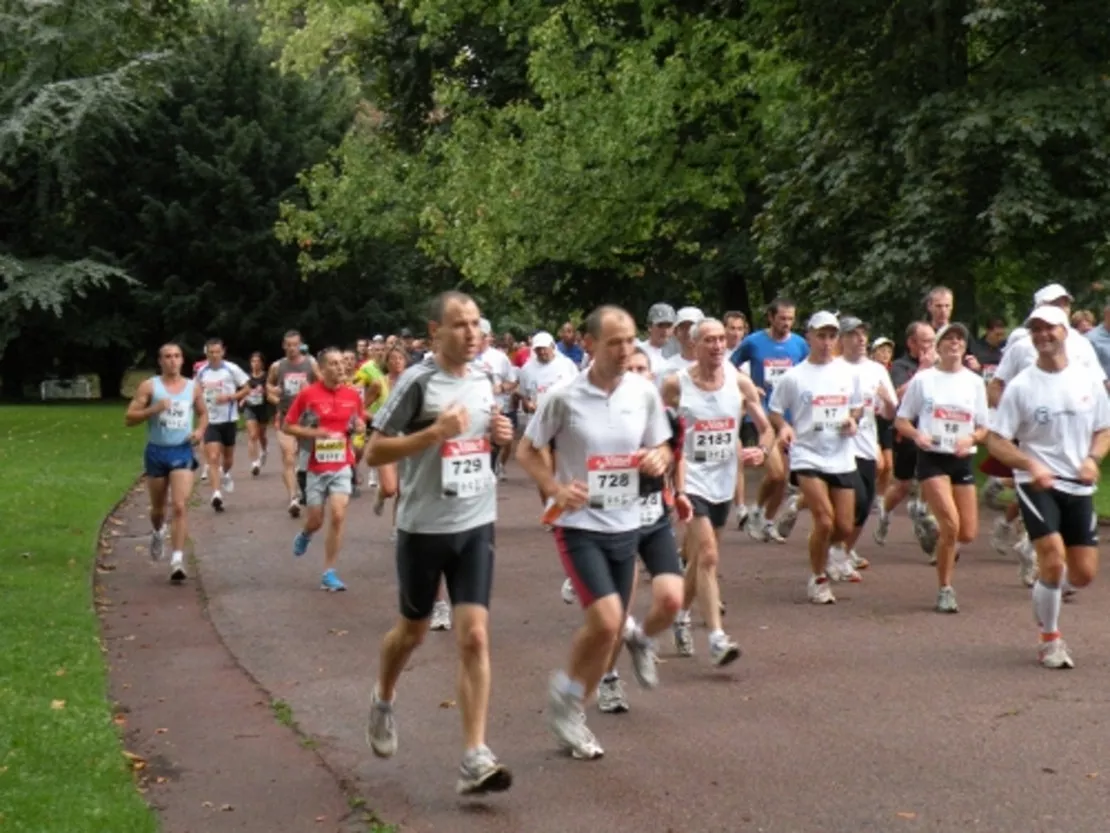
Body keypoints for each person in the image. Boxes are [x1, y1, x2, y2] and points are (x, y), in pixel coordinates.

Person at [364, 291, 515, 796]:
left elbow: (483, 442)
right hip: (424, 528)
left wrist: (500, 435)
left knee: (474, 635)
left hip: (476, 521)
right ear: (435, 332)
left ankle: (475, 756)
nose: (471, 333)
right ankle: (383, 696)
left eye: (475, 323)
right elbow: (374, 451)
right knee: (412, 632)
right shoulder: (416, 382)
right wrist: (432, 434)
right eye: (459, 325)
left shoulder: (485, 378)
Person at [517, 305, 673, 761]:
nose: (625, 350)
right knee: (607, 621)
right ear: (590, 344)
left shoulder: (643, 392)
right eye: (614, 342)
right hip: (579, 524)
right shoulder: (564, 396)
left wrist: (659, 458)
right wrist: (554, 487)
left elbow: (660, 442)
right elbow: (527, 449)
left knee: (607, 633)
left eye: (630, 340)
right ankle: (568, 700)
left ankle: (571, 705)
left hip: (628, 522)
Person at [988, 305, 1110, 668]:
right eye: (1035, 329)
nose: (1042, 335)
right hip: (1036, 483)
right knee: (1054, 560)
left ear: (1065, 333)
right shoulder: (1022, 385)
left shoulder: (1087, 380)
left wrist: (1093, 459)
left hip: (1078, 485)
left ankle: (1046, 589)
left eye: (1049, 329)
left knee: (1084, 574)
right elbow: (996, 440)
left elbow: (1103, 429)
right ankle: (1050, 639)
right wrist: (1028, 464)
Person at [663, 318, 773, 660]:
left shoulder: (740, 383)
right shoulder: (675, 385)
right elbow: (657, 430)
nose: (717, 345)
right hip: (690, 480)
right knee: (708, 554)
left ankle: (680, 615)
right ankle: (717, 638)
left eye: (721, 339)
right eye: (709, 340)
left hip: (723, 482)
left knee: (700, 560)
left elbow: (767, 428)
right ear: (694, 345)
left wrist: (762, 449)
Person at [768, 311, 863, 604]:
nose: (826, 342)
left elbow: (857, 407)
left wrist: (852, 419)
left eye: (831, 336)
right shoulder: (794, 377)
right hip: (807, 454)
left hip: (842, 454)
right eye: (820, 335)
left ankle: (823, 553)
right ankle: (818, 577)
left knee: (844, 527)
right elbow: (774, 409)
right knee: (824, 520)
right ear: (808, 336)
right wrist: (783, 427)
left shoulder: (848, 373)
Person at [894, 323, 989, 613]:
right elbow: (901, 420)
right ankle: (945, 589)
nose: (955, 342)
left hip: (961, 457)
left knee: (968, 533)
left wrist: (971, 438)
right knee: (952, 525)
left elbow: (984, 427)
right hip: (932, 456)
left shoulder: (975, 382)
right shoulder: (925, 380)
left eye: (960, 338)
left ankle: (930, 526)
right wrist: (917, 435)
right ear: (938, 345)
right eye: (948, 338)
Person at [283, 348, 365, 592]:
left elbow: (357, 423)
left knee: (338, 515)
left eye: (342, 363)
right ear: (322, 368)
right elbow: (288, 426)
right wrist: (313, 433)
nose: (340, 367)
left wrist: (359, 426)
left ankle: (329, 572)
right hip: (314, 466)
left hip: (341, 463)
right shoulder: (308, 395)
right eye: (334, 363)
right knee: (316, 520)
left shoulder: (352, 395)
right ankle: (306, 533)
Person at [125, 343, 207, 582]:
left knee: (180, 506)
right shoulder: (150, 386)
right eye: (167, 357)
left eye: (177, 356)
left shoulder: (192, 387)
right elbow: (129, 419)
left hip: (181, 450)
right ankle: (158, 531)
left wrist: (200, 431)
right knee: (158, 510)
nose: (172, 360)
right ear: (160, 361)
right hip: (156, 452)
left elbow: (203, 413)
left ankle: (177, 560)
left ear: (182, 360)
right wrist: (154, 409)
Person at [267, 331, 318, 517]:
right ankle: (293, 498)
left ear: (300, 345)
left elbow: (322, 386)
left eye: (295, 345)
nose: (291, 348)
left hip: (307, 418)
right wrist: (275, 395)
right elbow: (269, 389)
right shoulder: (277, 366)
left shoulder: (311, 363)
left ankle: (305, 481)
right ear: (283, 345)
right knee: (289, 456)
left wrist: (309, 390)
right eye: (288, 345)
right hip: (285, 417)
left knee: (307, 458)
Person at [195, 338, 250, 512]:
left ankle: (226, 473)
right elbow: (195, 392)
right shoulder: (202, 371)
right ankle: (216, 494)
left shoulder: (231, 369)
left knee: (227, 459)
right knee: (212, 458)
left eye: (217, 352)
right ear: (206, 353)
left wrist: (230, 397)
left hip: (229, 419)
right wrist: (198, 409)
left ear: (222, 352)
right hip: (211, 420)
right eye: (210, 352)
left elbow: (247, 388)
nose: (214, 355)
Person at [243, 351, 272, 477]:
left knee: (261, 435)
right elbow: (243, 391)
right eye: (253, 361)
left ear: (262, 363)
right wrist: (243, 398)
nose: (255, 364)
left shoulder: (267, 376)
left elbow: (271, 392)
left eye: (258, 361)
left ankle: (264, 450)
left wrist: (264, 391)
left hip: (263, 408)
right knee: (252, 435)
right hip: (250, 408)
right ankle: (254, 463)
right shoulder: (246, 378)